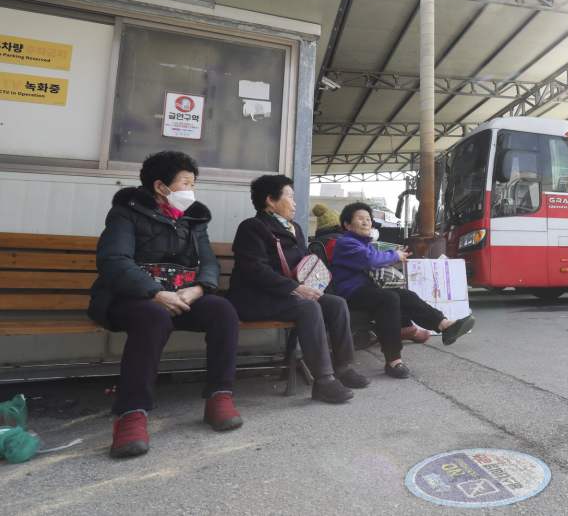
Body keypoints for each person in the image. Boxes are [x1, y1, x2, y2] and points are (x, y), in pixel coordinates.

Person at [88, 151, 242, 459]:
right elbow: (113, 260)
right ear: (161, 186)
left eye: (193, 183)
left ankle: (219, 397)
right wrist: (154, 293)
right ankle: (131, 414)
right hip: (131, 299)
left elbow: (208, 263)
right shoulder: (125, 213)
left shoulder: (194, 218)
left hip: (181, 296)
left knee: (223, 311)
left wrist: (199, 289)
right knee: (154, 317)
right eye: (185, 182)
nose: (191, 190)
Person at [225, 175, 368, 404]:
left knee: (337, 303)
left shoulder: (295, 229)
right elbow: (255, 270)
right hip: (254, 298)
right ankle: (323, 381)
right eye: (290, 197)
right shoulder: (253, 227)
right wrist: (296, 289)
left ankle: (342, 367)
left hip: (287, 295)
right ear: (271, 200)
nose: (294, 203)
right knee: (308, 308)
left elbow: (303, 265)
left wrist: (312, 285)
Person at [331, 202, 475, 379]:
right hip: (351, 292)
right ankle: (393, 360)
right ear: (347, 224)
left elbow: (370, 264)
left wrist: (391, 262)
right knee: (389, 298)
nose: (366, 222)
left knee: (406, 295)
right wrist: (394, 255)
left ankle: (444, 325)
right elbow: (368, 260)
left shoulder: (366, 244)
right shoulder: (345, 242)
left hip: (368, 291)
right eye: (360, 219)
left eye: (368, 219)